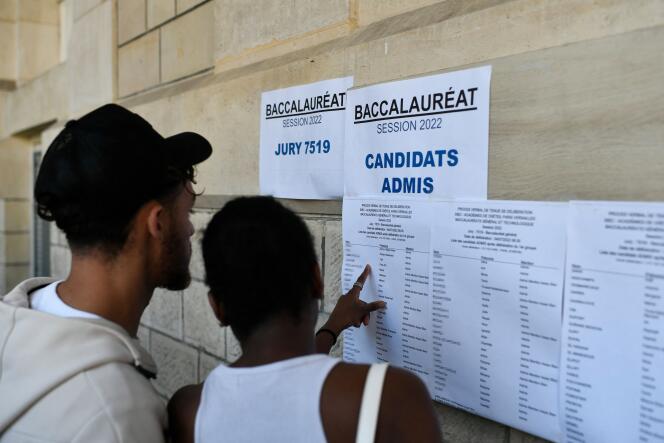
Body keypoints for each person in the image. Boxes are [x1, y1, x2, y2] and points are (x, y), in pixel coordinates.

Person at [0, 104, 212, 442]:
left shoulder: (18, 322)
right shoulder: (117, 417)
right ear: (156, 223)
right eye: (187, 213)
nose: (189, 230)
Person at [168, 196, 442, 443]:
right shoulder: (393, 396)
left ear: (217, 308)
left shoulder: (188, 410)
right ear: (317, 281)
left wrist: (332, 329)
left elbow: (281, 386)